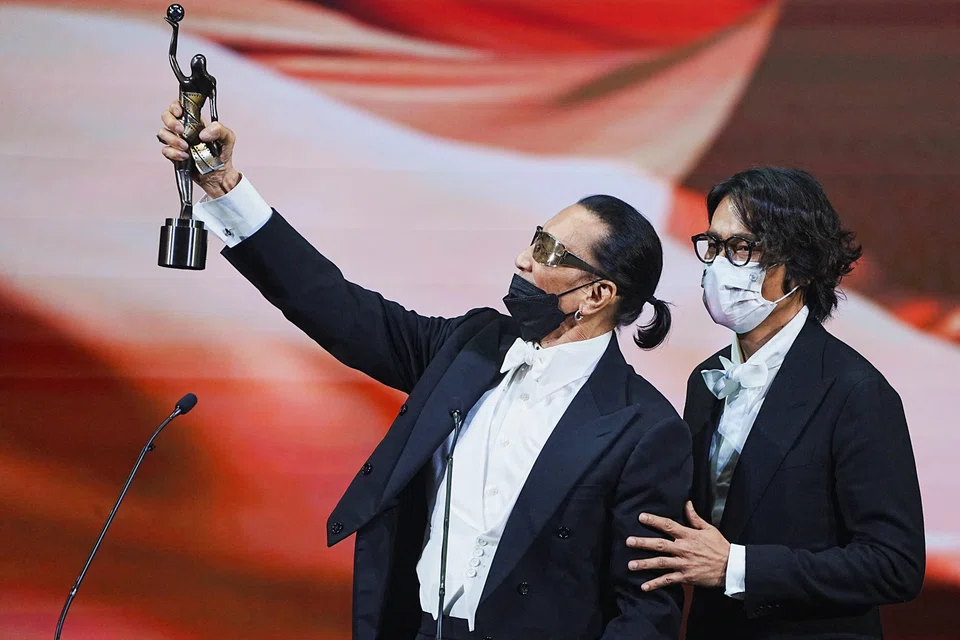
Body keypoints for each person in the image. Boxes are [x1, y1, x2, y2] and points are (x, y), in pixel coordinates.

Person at [157, 102, 693, 640]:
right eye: (535, 238)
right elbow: (338, 307)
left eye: (549, 251)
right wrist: (226, 187)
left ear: (598, 294)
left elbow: (645, 610)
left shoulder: (643, 428)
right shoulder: (471, 345)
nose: (523, 260)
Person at [624, 167, 925, 638]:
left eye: (741, 248)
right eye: (714, 246)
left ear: (799, 265)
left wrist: (737, 567)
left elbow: (894, 564)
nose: (720, 265)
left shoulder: (856, 392)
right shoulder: (704, 381)